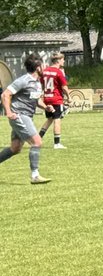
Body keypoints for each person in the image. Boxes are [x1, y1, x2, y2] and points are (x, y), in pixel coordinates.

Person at [1, 55, 51, 184]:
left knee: (15, 148)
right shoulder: (23, 80)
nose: (45, 67)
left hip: (26, 116)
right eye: (43, 65)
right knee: (37, 142)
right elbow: (5, 94)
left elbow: (36, 99)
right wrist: (9, 112)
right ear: (38, 67)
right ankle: (35, 176)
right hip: (20, 115)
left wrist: (46, 107)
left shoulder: (37, 83)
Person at [38, 51, 69, 149]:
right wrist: (69, 97)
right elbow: (64, 87)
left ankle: (38, 139)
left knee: (50, 119)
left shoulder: (45, 71)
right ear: (58, 60)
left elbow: (42, 83)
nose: (64, 61)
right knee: (57, 119)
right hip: (56, 99)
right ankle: (57, 143)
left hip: (47, 98)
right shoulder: (58, 72)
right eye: (63, 59)